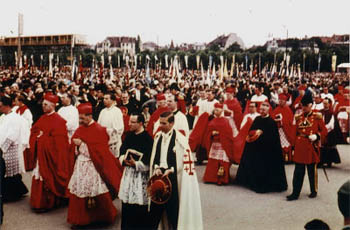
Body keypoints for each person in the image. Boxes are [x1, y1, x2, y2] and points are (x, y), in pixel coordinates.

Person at [67, 103, 123, 228]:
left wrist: (81, 144)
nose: (80, 121)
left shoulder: (99, 130)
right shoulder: (80, 128)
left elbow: (100, 151)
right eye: (79, 118)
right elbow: (73, 146)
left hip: (93, 166)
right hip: (81, 165)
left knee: (97, 191)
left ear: (89, 116)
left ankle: (102, 217)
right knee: (80, 190)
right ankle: (80, 219)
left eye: (82, 118)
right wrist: (76, 145)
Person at [149, 111, 203, 230]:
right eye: (160, 123)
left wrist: (171, 169)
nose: (160, 126)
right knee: (153, 214)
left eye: (164, 123)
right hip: (158, 179)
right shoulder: (157, 137)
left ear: (172, 123)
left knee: (173, 214)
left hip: (173, 179)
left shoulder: (180, 140)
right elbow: (155, 156)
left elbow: (184, 162)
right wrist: (157, 167)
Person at [29, 93, 71, 211]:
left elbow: (59, 142)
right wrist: (39, 137)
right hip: (41, 154)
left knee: (49, 176)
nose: (43, 106)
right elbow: (34, 131)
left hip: (51, 156)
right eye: (43, 104)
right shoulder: (42, 118)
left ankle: (50, 202)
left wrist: (42, 138)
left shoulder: (59, 121)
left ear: (52, 106)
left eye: (46, 104)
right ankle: (38, 202)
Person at [236, 101, 288, 193]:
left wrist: (261, 134)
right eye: (262, 108)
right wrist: (254, 134)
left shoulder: (271, 122)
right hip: (256, 148)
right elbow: (251, 131)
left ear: (269, 109)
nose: (263, 109)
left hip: (267, 150)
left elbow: (273, 139)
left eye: (265, 107)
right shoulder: (257, 119)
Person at [287, 92, 328, 201]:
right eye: (302, 106)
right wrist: (293, 147)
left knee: (311, 170)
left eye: (306, 106)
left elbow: (324, 131)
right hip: (300, 146)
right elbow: (293, 133)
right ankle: (295, 193)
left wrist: (317, 136)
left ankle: (313, 190)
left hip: (311, 146)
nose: (304, 108)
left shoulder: (317, 117)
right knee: (298, 171)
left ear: (311, 105)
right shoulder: (298, 117)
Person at [118, 113, 153, 230]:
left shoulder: (148, 139)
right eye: (129, 121)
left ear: (141, 123)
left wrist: (136, 164)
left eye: (132, 122)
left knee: (140, 209)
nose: (129, 124)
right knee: (127, 206)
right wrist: (124, 159)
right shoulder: (129, 136)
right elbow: (122, 151)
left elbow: (150, 161)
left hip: (140, 178)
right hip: (129, 176)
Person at [0, 96, 30, 202]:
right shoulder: (3, 116)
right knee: (7, 172)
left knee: (9, 172)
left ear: (6, 105)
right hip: (4, 146)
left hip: (10, 148)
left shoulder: (15, 118)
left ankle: (11, 195)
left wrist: (2, 148)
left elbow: (13, 134)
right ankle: (19, 190)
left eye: (1, 105)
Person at [202, 103, 234, 185]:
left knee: (222, 161)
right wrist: (212, 133)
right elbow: (207, 133)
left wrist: (221, 135)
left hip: (223, 144)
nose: (216, 111)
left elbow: (229, 133)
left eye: (217, 109)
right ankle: (212, 178)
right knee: (213, 161)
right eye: (215, 109)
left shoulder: (226, 121)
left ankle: (222, 179)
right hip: (214, 144)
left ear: (222, 110)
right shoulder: (212, 121)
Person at [97, 92, 124, 157]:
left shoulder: (117, 111)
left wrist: (108, 132)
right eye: (104, 98)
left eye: (106, 99)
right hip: (103, 141)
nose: (104, 100)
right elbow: (98, 125)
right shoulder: (103, 111)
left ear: (112, 100)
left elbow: (120, 128)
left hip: (113, 141)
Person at [272, 94, 295, 162]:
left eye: (282, 100)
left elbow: (290, 121)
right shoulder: (276, 109)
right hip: (278, 130)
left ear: (285, 101)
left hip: (286, 130)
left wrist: (282, 121)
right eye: (280, 100)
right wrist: (276, 121)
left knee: (287, 143)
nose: (281, 102)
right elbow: (272, 118)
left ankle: (288, 158)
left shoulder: (288, 110)